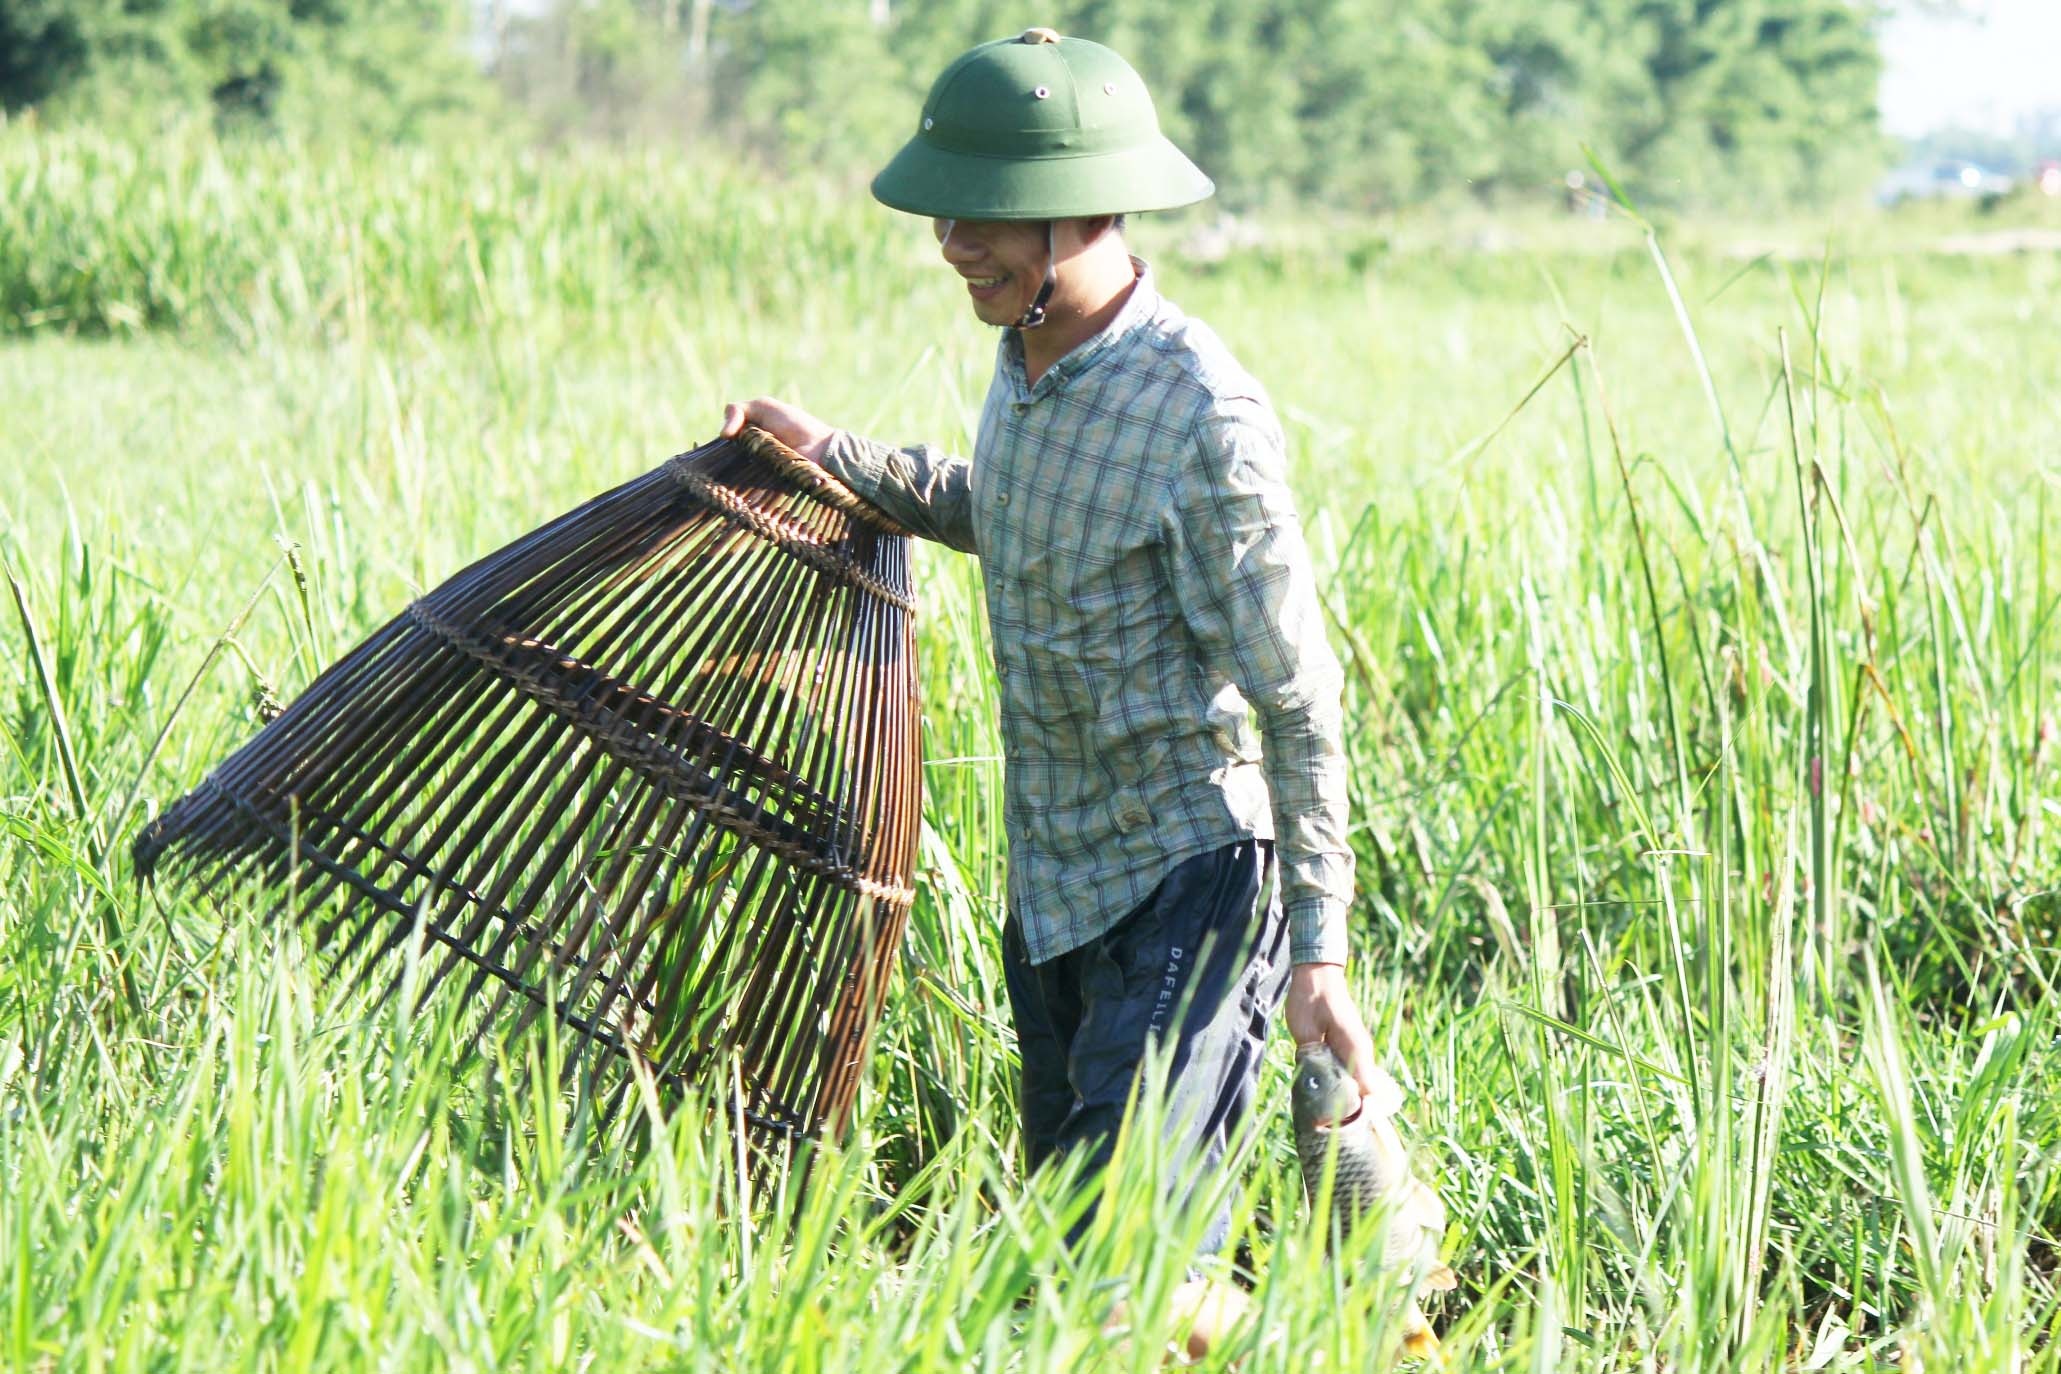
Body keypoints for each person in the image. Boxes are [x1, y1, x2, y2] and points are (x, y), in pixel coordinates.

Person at [721, 28, 1379, 1357]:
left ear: (1089, 206)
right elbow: (1015, 513)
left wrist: (1317, 949)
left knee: (1117, 1271)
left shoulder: (1201, 409)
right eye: (947, 215)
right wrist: (829, 456)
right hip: (1058, 899)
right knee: (1089, 1259)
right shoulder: (1022, 361)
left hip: (1187, 882)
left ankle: (1344, 1330)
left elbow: (1298, 697)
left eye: (988, 218)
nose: (955, 243)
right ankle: (1328, 1327)